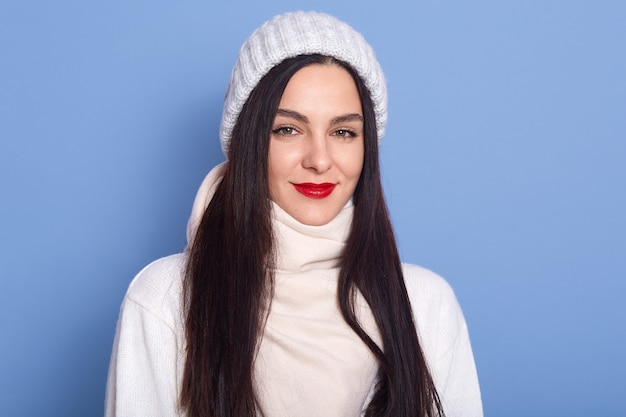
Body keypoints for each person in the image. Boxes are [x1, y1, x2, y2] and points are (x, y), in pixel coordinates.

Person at [105, 11, 482, 417]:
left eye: (343, 132)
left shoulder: (424, 305)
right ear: (248, 141)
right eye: (287, 129)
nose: (320, 160)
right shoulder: (166, 300)